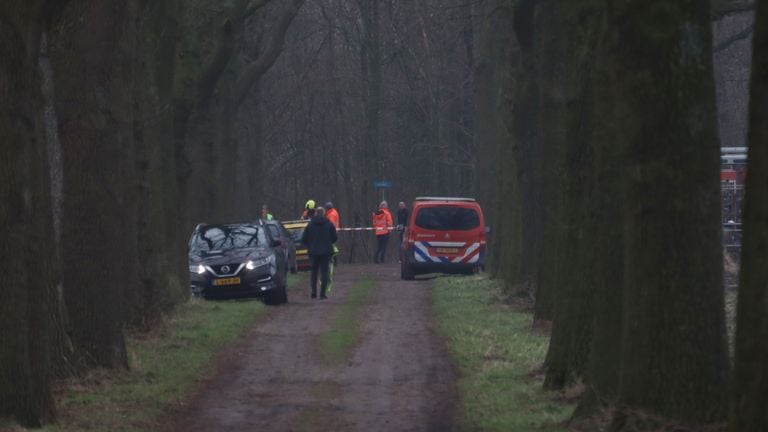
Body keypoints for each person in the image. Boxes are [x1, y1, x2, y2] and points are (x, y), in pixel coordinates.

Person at [300, 206, 337, 299]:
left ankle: (313, 292)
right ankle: (322, 294)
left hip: (313, 252)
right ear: (324, 213)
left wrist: (310, 245)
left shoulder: (311, 224)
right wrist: (328, 242)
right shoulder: (329, 224)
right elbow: (335, 238)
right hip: (326, 252)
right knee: (324, 272)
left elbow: (304, 239)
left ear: (316, 213)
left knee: (314, 272)